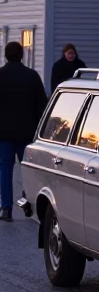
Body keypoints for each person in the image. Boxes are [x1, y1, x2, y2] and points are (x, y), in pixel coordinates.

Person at [0, 41, 48, 221]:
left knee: (5, 169)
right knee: (28, 170)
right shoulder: (32, 76)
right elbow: (42, 105)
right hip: (27, 132)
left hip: (3, 132)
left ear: (6, 55)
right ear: (21, 55)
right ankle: (29, 205)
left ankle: (6, 209)